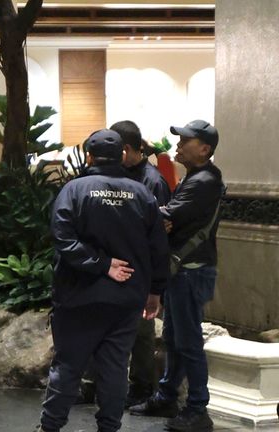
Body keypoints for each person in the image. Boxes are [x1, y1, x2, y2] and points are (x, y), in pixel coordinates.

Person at [38, 129, 169, 432]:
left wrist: (100, 264)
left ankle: (50, 428)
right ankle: (109, 428)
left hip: (78, 297)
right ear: (123, 154)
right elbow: (158, 248)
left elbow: (63, 237)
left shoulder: (74, 190)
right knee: (114, 369)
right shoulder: (141, 194)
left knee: (68, 366)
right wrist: (155, 291)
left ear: (88, 156)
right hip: (125, 300)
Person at [130, 120, 224, 432]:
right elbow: (167, 218)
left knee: (188, 341)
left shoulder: (205, 181)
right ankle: (168, 395)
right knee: (174, 338)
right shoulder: (195, 177)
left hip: (191, 272)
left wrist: (155, 214)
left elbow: (165, 217)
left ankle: (197, 408)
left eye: (186, 141)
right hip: (182, 271)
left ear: (205, 149)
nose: (178, 146)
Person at [113, 120, 171, 407]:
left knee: (142, 332)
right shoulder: (117, 175)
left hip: (141, 269)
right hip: (116, 267)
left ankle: (142, 387)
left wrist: (154, 283)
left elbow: (159, 235)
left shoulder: (153, 180)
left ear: (125, 149)